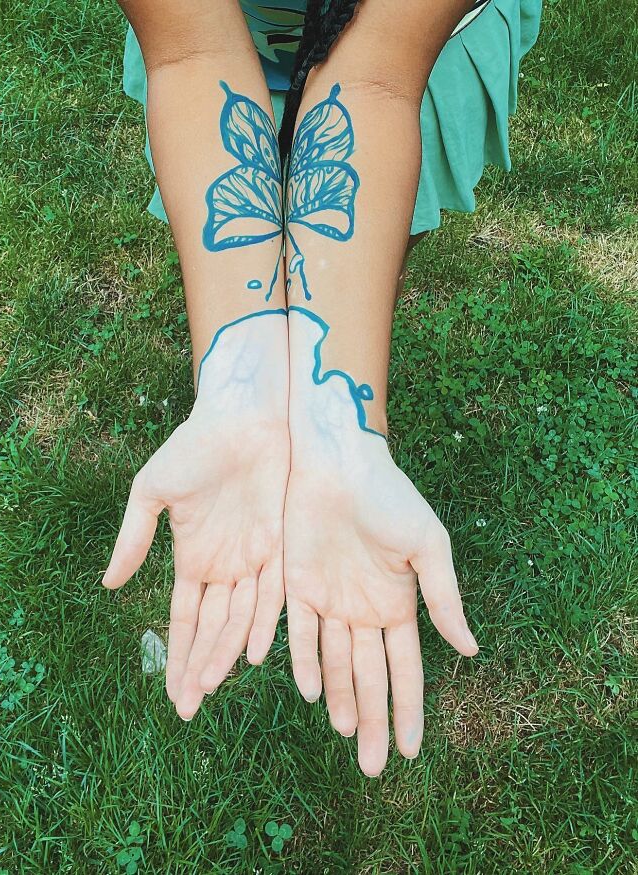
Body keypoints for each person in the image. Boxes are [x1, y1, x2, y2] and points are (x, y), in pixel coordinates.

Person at [103, 0, 543, 777]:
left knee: (365, 224)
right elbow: (191, 52)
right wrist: (241, 373)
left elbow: (376, 78)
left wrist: (341, 414)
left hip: (411, 36)